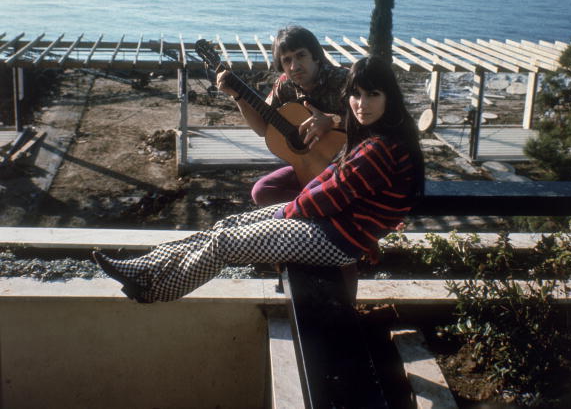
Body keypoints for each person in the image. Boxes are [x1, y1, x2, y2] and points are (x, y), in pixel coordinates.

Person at [92, 56, 425, 304]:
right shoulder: (374, 135)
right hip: (330, 227)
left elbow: (332, 196)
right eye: (356, 94)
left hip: (335, 239)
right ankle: (144, 266)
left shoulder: (381, 148)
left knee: (225, 244)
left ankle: (155, 289)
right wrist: (294, 207)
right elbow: (330, 177)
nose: (361, 104)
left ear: (389, 97)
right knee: (227, 226)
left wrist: (288, 212)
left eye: (373, 95)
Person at [217, 25, 349, 206]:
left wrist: (333, 121)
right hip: (310, 167)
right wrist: (238, 96)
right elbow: (264, 129)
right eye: (287, 60)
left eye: (301, 55)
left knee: (328, 196)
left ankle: (312, 206)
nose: (295, 66)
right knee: (262, 191)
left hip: (347, 164)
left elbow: (376, 123)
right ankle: (310, 207)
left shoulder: (345, 80)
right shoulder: (284, 86)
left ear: (315, 56)